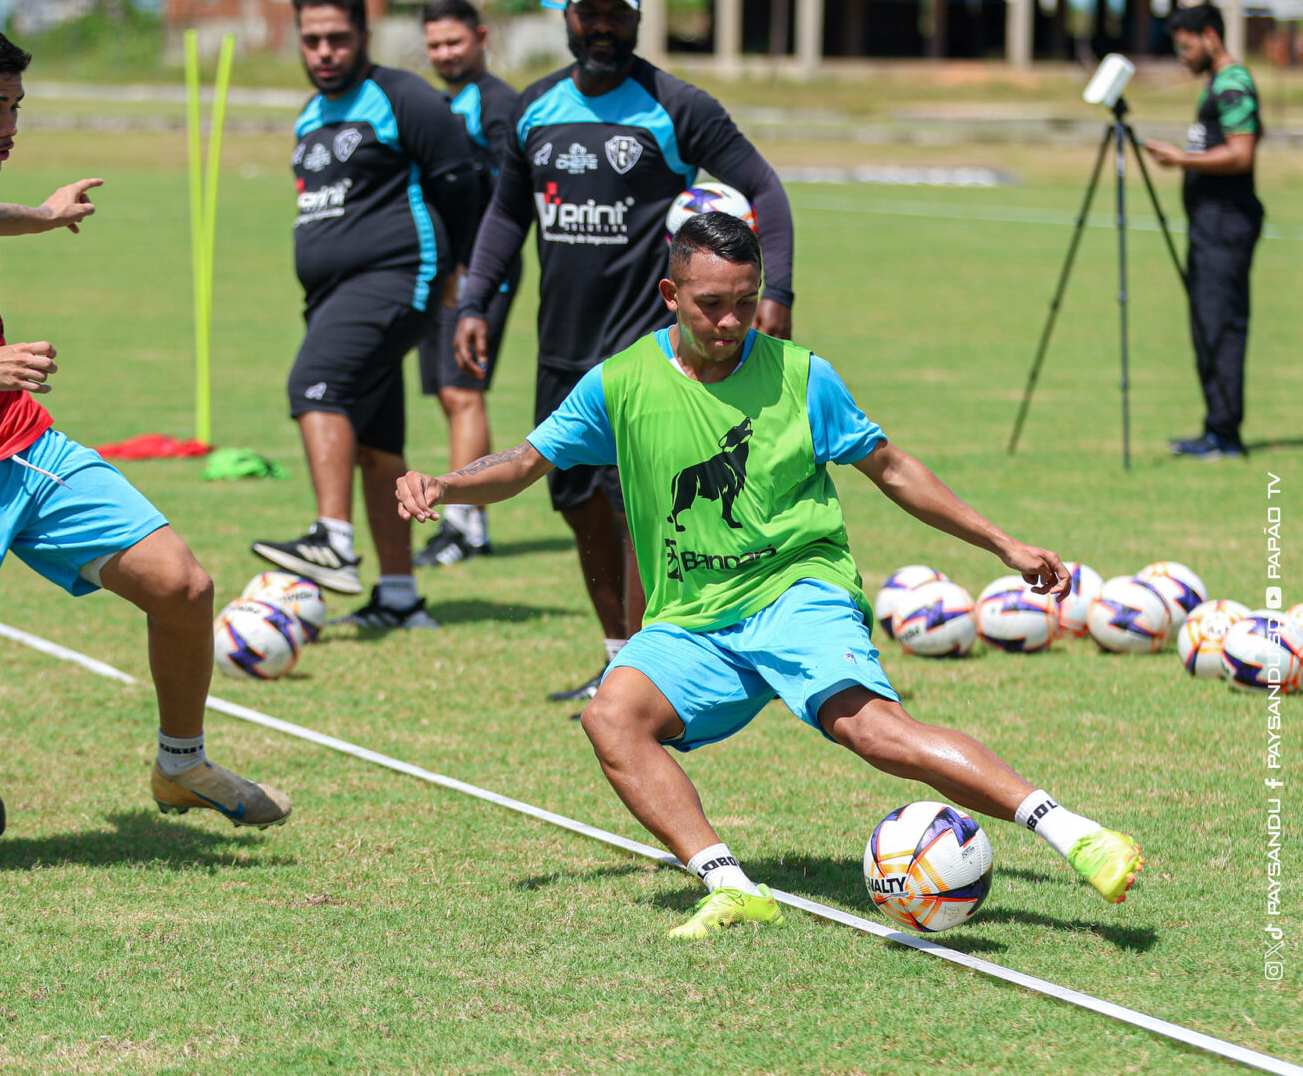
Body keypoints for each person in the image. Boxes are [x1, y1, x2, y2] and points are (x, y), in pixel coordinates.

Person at [401, 212, 1143, 938]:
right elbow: (525, 465)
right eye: (711, 305)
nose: (730, 322)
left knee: (876, 734)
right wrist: (445, 484)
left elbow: (889, 467)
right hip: (691, 617)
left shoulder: (802, 376)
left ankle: (1079, 837)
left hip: (797, 589)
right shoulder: (620, 383)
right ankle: (731, 887)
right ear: (670, 296)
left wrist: (1002, 544)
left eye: (745, 302)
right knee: (611, 717)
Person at [0, 15, 290, 841]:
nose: (11, 129)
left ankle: (181, 763)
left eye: (17, 109)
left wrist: (44, 214)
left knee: (183, 586)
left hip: (17, 444)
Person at [455, 0, 796, 706]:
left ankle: (648, 668)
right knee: (573, 496)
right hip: (560, 342)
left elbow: (763, 186)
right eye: (590, 12)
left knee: (634, 501)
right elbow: (508, 212)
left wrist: (780, 288)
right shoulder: (536, 106)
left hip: (646, 341)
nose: (602, 25)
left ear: (637, 19)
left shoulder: (676, 105)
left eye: (616, 13)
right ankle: (616, 655)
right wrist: (475, 299)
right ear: (568, 17)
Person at [251, 0, 485, 628]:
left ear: (365, 36)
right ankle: (402, 600)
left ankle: (333, 540)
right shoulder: (309, 115)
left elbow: (459, 184)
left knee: (313, 386)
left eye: (337, 38)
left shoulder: (402, 96)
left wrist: (456, 272)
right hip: (331, 295)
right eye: (312, 39)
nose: (324, 51)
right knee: (377, 444)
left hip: (395, 277)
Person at [413, 0, 521, 568]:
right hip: (442, 270)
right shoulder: (444, 101)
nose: (444, 54)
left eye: (454, 42)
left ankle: (462, 523)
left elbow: (507, 199)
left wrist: (474, 270)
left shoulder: (498, 104)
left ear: (480, 37)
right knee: (451, 393)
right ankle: (470, 516)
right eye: (434, 45)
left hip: (479, 273)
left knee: (463, 390)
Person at [1143, 4, 1264, 460]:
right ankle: (1216, 428)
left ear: (1210, 36)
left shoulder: (1233, 83)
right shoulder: (1217, 83)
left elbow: (1240, 154)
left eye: (1186, 46)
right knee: (1207, 327)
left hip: (1226, 225)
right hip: (1210, 225)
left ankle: (1226, 436)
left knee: (1221, 328)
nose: (1182, 56)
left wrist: (1181, 160)